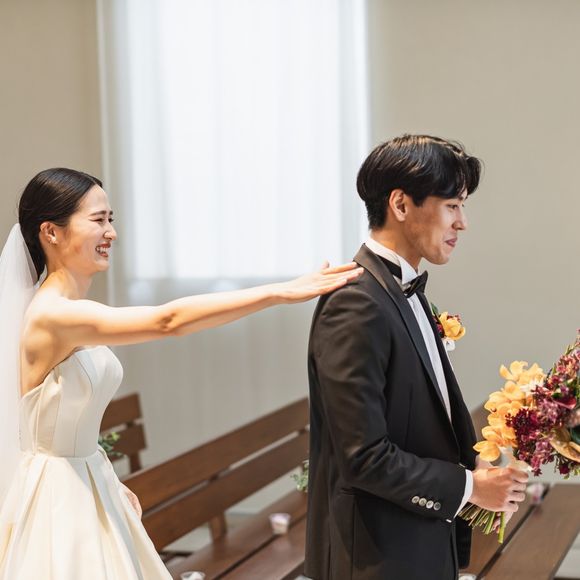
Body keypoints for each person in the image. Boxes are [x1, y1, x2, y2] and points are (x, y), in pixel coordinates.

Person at [0, 167, 363, 580]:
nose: (111, 233)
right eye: (98, 220)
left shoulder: (68, 311)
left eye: (111, 219)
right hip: (57, 500)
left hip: (87, 480)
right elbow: (168, 320)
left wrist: (105, 479)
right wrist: (277, 292)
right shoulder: (53, 314)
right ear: (51, 232)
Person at [304, 135, 529, 580]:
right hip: (377, 558)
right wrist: (470, 488)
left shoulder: (400, 290)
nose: (462, 223)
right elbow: (364, 457)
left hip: (417, 544)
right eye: (452, 205)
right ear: (401, 205)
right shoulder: (356, 302)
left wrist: (475, 465)